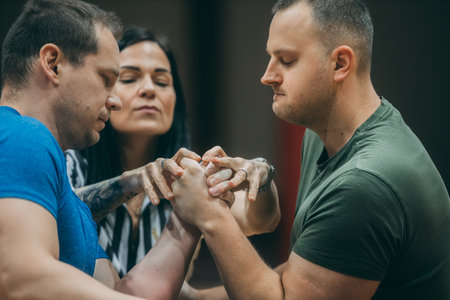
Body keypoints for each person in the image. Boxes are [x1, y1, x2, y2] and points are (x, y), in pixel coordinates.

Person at [168, 0, 450, 299]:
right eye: (271, 58)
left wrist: (210, 214)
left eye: (286, 60)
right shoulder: (323, 135)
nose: (267, 76)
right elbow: (307, 274)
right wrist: (195, 297)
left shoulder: (365, 183)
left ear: (340, 63)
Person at [0, 1, 200, 299]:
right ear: (53, 63)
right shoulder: (23, 136)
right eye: (106, 79)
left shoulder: (67, 197)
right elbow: (21, 277)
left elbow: (121, 292)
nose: (115, 100)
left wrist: (192, 212)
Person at [64, 26, 281, 294]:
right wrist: (130, 182)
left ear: (175, 100)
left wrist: (261, 173)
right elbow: (60, 212)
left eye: (162, 82)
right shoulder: (72, 158)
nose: (148, 90)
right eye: (130, 78)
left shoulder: (186, 175)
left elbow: (261, 222)